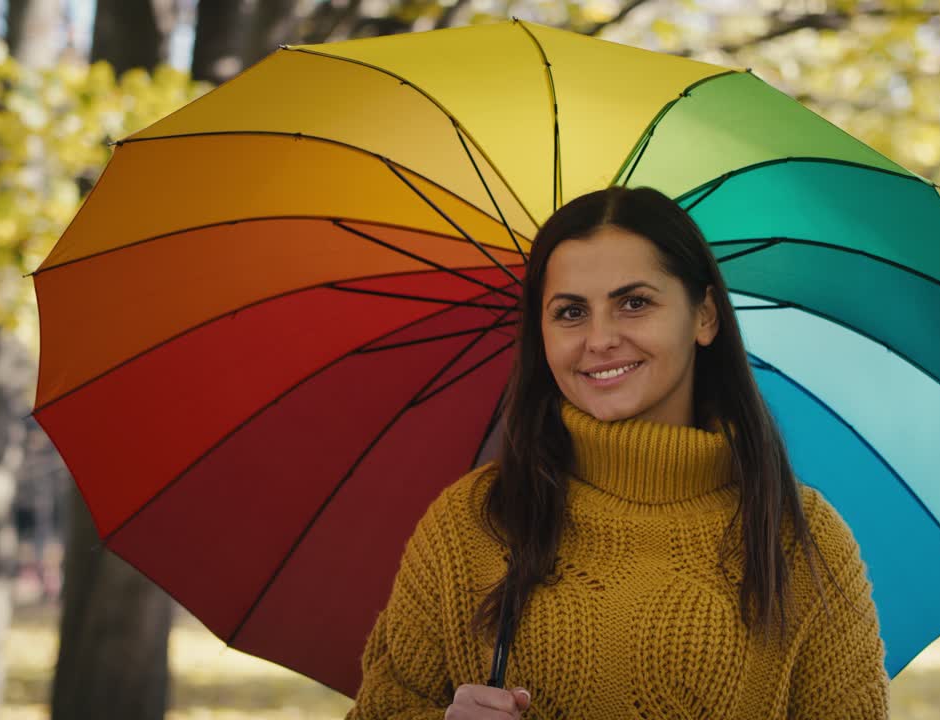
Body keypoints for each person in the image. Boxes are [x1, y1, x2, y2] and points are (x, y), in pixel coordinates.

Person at [346, 186, 888, 719]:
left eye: (633, 303)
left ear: (704, 316)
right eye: (570, 312)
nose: (600, 339)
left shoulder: (802, 539)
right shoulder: (471, 523)